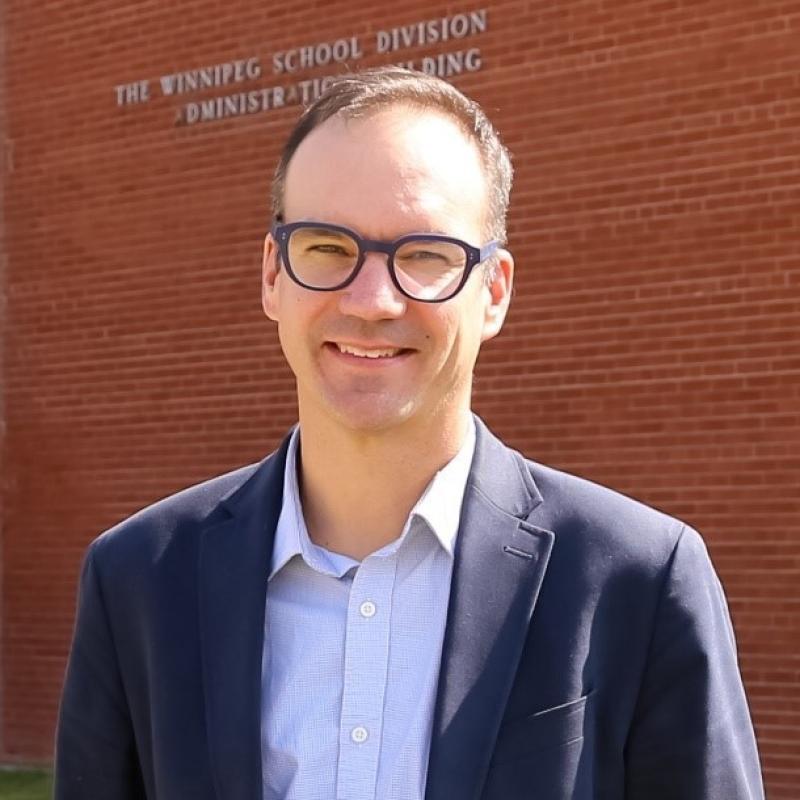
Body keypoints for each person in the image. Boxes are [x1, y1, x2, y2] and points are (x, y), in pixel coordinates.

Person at [54, 67, 764, 800]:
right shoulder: (137, 579)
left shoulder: (639, 579)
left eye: (425, 254)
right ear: (273, 274)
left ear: (494, 292)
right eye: (327, 247)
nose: (371, 300)